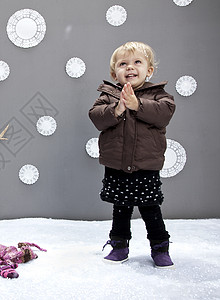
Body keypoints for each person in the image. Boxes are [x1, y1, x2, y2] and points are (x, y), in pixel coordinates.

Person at [88, 41, 176, 268]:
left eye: (137, 62)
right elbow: (96, 117)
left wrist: (137, 105)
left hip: (146, 165)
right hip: (117, 164)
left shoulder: (159, 96)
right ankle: (119, 245)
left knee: (150, 208)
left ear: (149, 71)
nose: (129, 67)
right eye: (123, 64)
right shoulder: (108, 95)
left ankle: (159, 247)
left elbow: (164, 115)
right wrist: (117, 109)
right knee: (121, 207)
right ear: (114, 73)